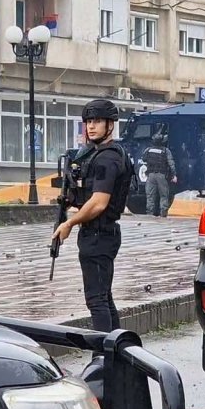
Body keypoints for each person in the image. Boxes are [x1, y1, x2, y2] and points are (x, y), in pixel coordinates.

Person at [50, 99, 132, 332]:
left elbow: (98, 203)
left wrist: (70, 223)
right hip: (101, 233)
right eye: (88, 122)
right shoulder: (101, 154)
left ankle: (104, 350)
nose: (91, 126)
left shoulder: (107, 158)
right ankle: (116, 348)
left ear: (110, 125)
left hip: (98, 235)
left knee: (97, 301)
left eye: (97, 121)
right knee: (104, 297)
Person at [142, 132, 177, 217]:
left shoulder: (148, 150)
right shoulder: (165, 151)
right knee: (164, 195)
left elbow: (144, 159)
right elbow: (171, 163)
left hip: (150, 176)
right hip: (161, 175)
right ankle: (163, 214)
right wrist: (174, 175)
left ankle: (149, 214)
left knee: (150, 196)